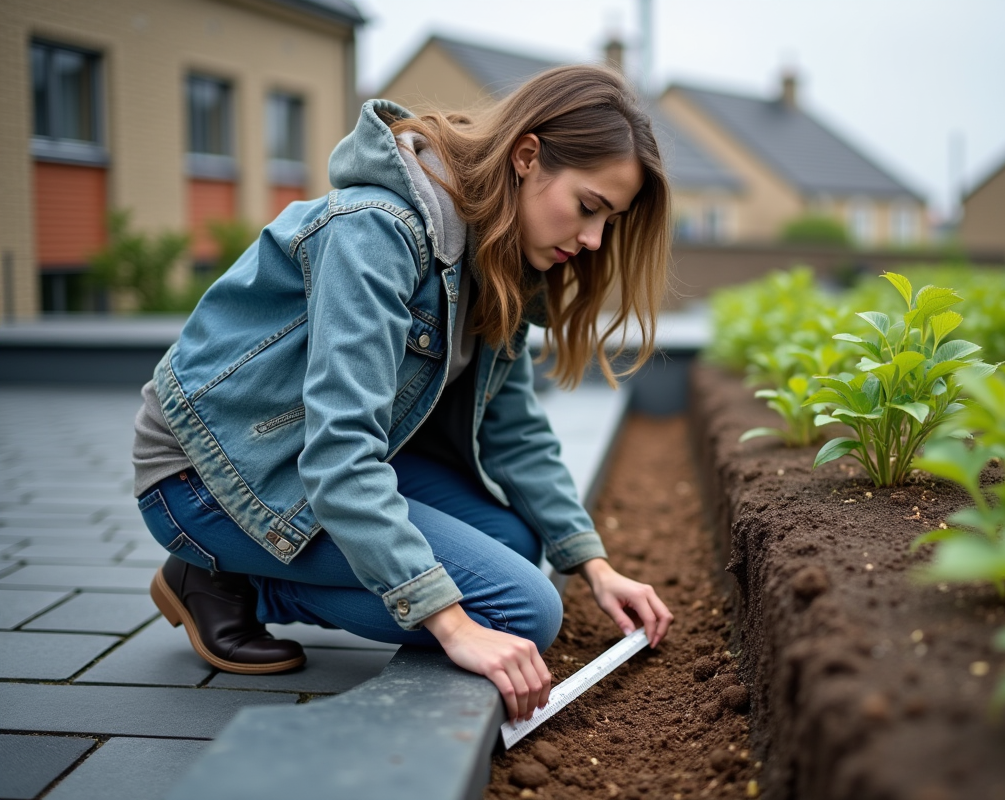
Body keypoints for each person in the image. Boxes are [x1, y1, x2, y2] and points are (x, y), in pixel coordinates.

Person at [131, 64, 675, 724]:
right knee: (520, 610)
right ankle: (241, 582)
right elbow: (339, 454)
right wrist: (449, 623)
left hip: (313, 457)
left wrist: (593, 564)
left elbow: (514, 428)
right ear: (527, 157)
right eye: (589, 208)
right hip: (216, 476)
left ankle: (254, 576)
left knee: (513, 537)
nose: (592, 241)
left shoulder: (499, 251)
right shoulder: (377, 231)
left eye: (609, 223)